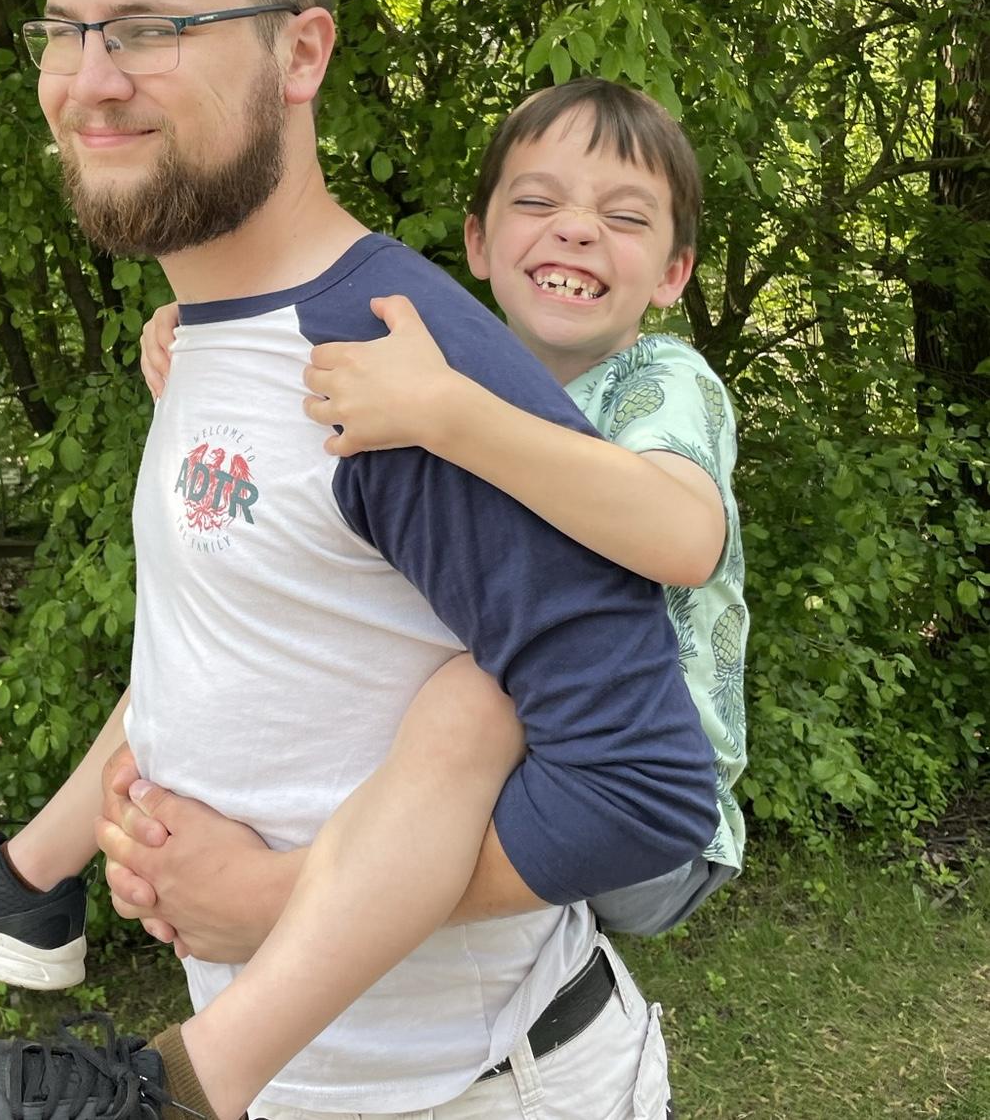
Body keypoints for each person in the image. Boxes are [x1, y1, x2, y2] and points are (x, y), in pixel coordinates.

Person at [0, 0, 716, 1120]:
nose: (91, 75)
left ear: (300, 52)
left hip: (477, 1091)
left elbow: (645, 793)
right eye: (65, 29)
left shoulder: (390, 360)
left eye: (147, 28)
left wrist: (271, 894)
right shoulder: (205, 337)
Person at [126, 77, 747, 951]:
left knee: (467, 695)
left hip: (649, 809)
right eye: (538, 202)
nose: (576, 228)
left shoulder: (662, 381)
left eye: (627, 218)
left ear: (674, 274)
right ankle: (35, 873)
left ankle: (269, 902)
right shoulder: (453, 359)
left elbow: (684, 540)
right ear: (479, 243)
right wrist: (201, 338)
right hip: (551, 760)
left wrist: (449, 414)